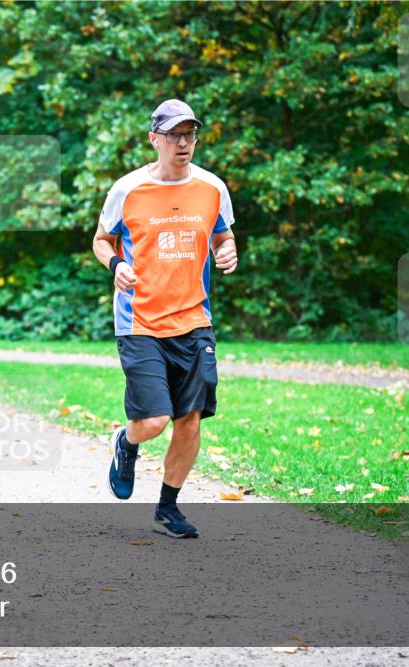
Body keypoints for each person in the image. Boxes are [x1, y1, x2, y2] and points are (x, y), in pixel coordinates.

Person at [92, 99, 239, 538]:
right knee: (153, 422)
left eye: (189, 134)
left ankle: (167, 509)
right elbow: (101, 241)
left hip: (194, 319)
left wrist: (226, 249)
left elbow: (222, 234)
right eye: (173, 135)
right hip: (140, 322)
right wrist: (117, 265)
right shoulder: (127, 190)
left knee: (189, 417)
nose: (182, 143)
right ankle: (126, 442)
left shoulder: (212, 188)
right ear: (154, 139)